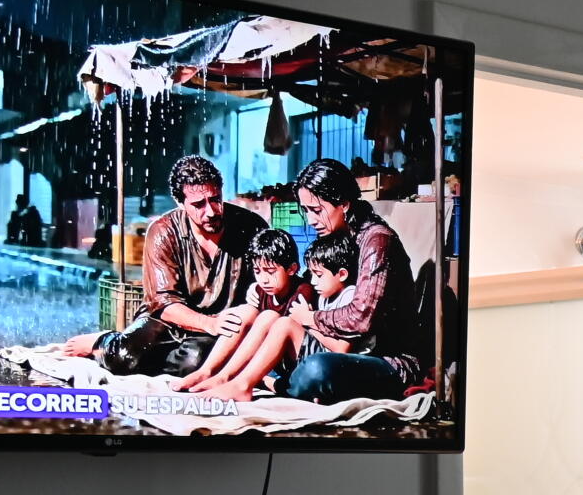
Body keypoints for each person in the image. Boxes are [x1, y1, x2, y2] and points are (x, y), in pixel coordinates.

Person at [67, 154, 274, 374]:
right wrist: (209, 323)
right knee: (123, 357)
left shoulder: (251, 227)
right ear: (180, 203)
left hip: (223, 325)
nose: (211, 211)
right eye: (199, 205)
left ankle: (167, 358)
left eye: (215, 199)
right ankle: (105, 341)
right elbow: (164, 303)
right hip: (168, 321)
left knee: (194, 362)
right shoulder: (163, 232)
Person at [280, 158, 426, 403]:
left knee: (317, 369)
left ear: (344, 204)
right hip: (347, 351)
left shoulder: (377, 241)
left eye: (316, 210)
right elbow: (308, 284)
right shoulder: (334, 237)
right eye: (305, 210)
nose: (311, 219)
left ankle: (282, 385)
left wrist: (311, 318)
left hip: (388, 361)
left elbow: (361, 318)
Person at [179, 229, 311, 399]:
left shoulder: (303, 291)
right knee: (246, 311)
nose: (263, 279)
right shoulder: (260, 290)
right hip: (268, 362)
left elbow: (283, 332)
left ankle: (237, 383)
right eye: (258, 271)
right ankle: (211, 373)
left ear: (292, 269)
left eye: (270, 271)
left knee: (268, 316)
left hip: (294, 362)